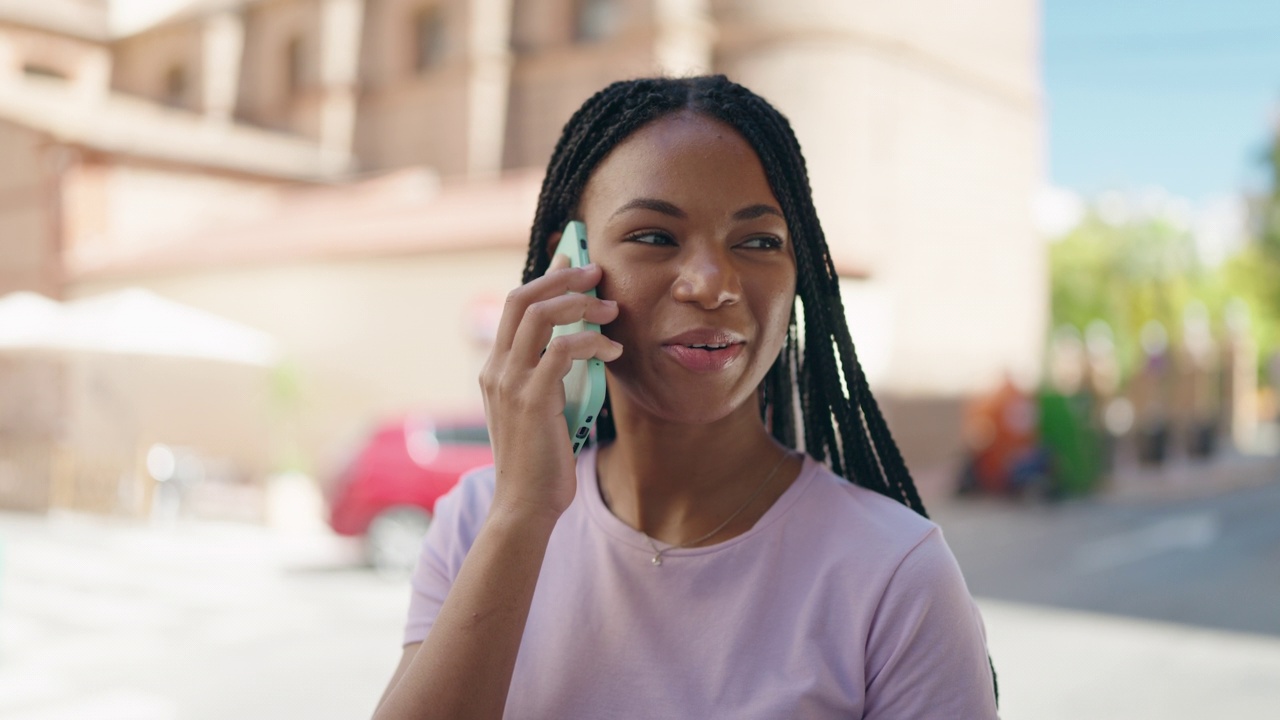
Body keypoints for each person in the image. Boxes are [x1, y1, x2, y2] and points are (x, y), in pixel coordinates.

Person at [373, 75, 999, 719]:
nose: (711, 284)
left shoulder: (897, 575)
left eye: (759, 242)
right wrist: (523, 517)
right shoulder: (480, 522)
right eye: (654, 236)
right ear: (569, 267)